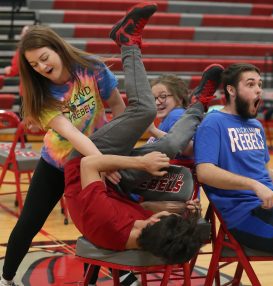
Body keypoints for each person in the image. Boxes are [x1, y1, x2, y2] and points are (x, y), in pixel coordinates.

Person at [64, 2, 214, 264]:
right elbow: (139, 210)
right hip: (114, 183)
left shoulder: (106, 221)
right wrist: (175, 209)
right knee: (169, 148)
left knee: (144, 110)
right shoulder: (146, 231)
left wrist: (141, 163)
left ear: (154, 223)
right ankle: (199, 104)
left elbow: (90, 164)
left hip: (86, 164)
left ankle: (127, 42)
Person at [0, 24, 126, 285]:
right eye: (34, 65)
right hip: (57, 163)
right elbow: (73, 134)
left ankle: (113, 276)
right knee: (29, 222)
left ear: (57, 47)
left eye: (44, 58)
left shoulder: (91, 68)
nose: (42, 68)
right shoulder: (42, 93)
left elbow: (117, 106)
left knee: (99, 223)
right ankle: (6, 278)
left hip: (95, 157)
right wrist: (103, 163)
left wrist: (116, 154)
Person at [194, 63, 273, 286]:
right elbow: (205, 172)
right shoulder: (213, 123)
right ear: (231, 90)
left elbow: (264, 171)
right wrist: (253, 185)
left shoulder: (255, 126)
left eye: (260, 84)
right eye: (251, 84)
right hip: (247, 214)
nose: (259, 89)